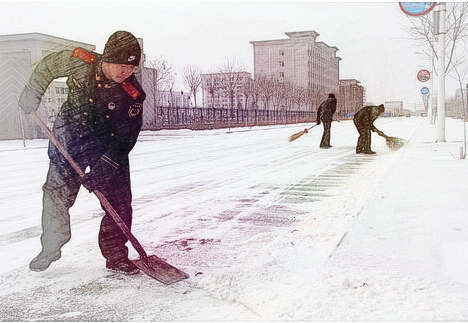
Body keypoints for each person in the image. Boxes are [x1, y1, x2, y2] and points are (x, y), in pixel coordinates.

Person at [18, 31, 146, 275]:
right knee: (56, 195)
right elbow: (48, 66)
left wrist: (105, 168)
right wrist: (32, 92)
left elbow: (126, 137)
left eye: (130, 67)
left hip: (107, 147)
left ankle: (116, 255)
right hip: (69, 139)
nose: (125, 72)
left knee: (119, 202)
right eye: (120, 65)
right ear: (106, 58)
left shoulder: (133, 94)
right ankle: (51, 248)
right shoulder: (79, 61)